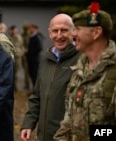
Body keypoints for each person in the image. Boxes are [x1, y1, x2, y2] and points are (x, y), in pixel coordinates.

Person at [54, 2, 116, 141]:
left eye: (77, 29)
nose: (73, 34)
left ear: (96, 32)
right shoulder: (79, 69)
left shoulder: (113, 70)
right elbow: (69, 119)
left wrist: (89, 136)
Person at [20, 13, 80, 141]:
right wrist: (28, 123)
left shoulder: (83, 59)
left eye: (64, 30)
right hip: (44, 136)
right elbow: (36, 96)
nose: (59, 36)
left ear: (73, 32)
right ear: (49, 33)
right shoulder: (46, 59)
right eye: (55, 31)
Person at [8, 25, 25, 91]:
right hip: (11, 57)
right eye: (12, 30)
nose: (13, 31)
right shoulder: (9, 38)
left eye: (14, 30)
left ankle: (15, 87)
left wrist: (21, 54)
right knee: (10, 73)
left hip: (17, 57)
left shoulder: (18, 37)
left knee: (16, 73)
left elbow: (22, 47)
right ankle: (12, 86)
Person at [21, 22, 31, 90]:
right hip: (23, 55)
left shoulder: (30, 35)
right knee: (25, 70)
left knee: (29, 71)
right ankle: (27, 84)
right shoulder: (22, 35)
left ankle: (29, 84)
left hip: (30, 55)